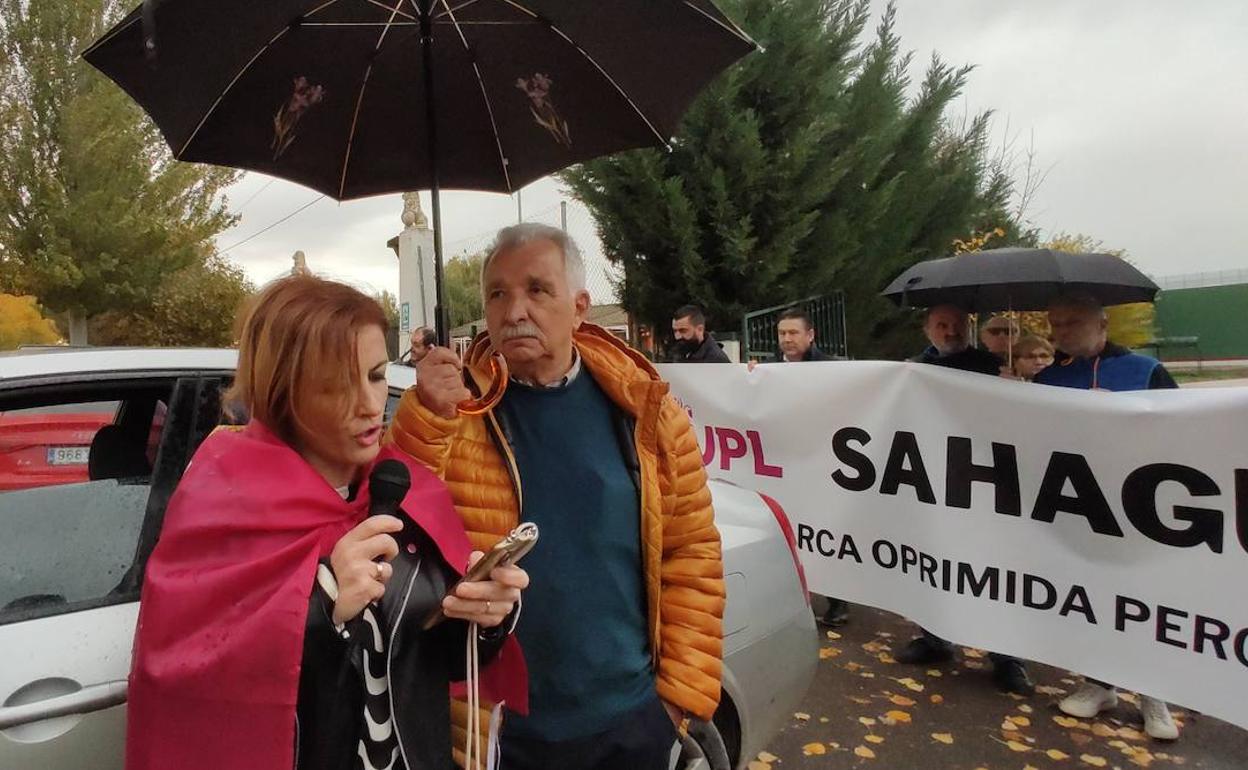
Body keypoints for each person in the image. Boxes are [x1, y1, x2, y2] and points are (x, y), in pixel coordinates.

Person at [125, 275, 529, 770]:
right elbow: (191, 681)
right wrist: (323, 608)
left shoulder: (406, 490)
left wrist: (486, 617)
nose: (369, 403)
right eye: (337, 384)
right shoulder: (223, 499)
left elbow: (436, 661)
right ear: (282, 391)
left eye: (378, 375)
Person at [390, 223, 724, 770]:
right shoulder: (450, 410)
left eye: (537, 290)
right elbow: (397, 531)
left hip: (630, 721)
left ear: (580, 307)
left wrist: (676, 702)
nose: (514, 309)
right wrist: (425, 417)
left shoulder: (647, 412)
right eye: (497, 293)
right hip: (495, 731)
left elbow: (692, 553)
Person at [1035, 291, 1179, 740]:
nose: (1061, 332)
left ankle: (1154, 694)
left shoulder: (1145, 371)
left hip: (1140, 507)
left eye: (1071, 323)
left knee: (1145, 598)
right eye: (1055, 324)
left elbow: (1187, 433)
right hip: (1076, 508)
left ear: (1102, 325)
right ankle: (1099, 684)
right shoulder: (1045, 380)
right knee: (1090, 596)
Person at [899, 303, 1034, 695]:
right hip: (934, 478)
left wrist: (1014, 390)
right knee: (933, 560)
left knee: (995, 567)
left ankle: (1008, 657)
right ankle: (936, 638)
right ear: (927, 330)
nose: (950, 331)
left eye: (957, 325)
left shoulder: (991, 366)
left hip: (987, 479)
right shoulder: (910, 369)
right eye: (941, 325)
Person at [908, 304, 1004, 375]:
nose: (952, 332)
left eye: (959, 324)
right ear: (927, 330)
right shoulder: (915, 368)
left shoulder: (993, 366)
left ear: (968, 326)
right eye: (943, 326)